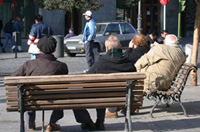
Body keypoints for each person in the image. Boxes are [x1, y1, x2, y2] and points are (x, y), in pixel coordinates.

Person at [74, 36, 136, 131]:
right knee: (101, 91)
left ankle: (91, 122)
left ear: (107, 48)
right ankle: (99, 122)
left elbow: (87, 77)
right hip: (124, 97)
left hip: (102, 96)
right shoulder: (128, 63)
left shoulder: (101, 62)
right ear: (120, 47)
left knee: (96, 92)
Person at [11, 36, 68, 131]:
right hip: (54, 98)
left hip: (34, 99)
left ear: (39, 49)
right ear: (54, 50)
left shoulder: (29, 64)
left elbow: (13, 77)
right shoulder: (62, 66)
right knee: (61, 94)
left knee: (27, 97)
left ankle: (30, 123)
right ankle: (52, 123)